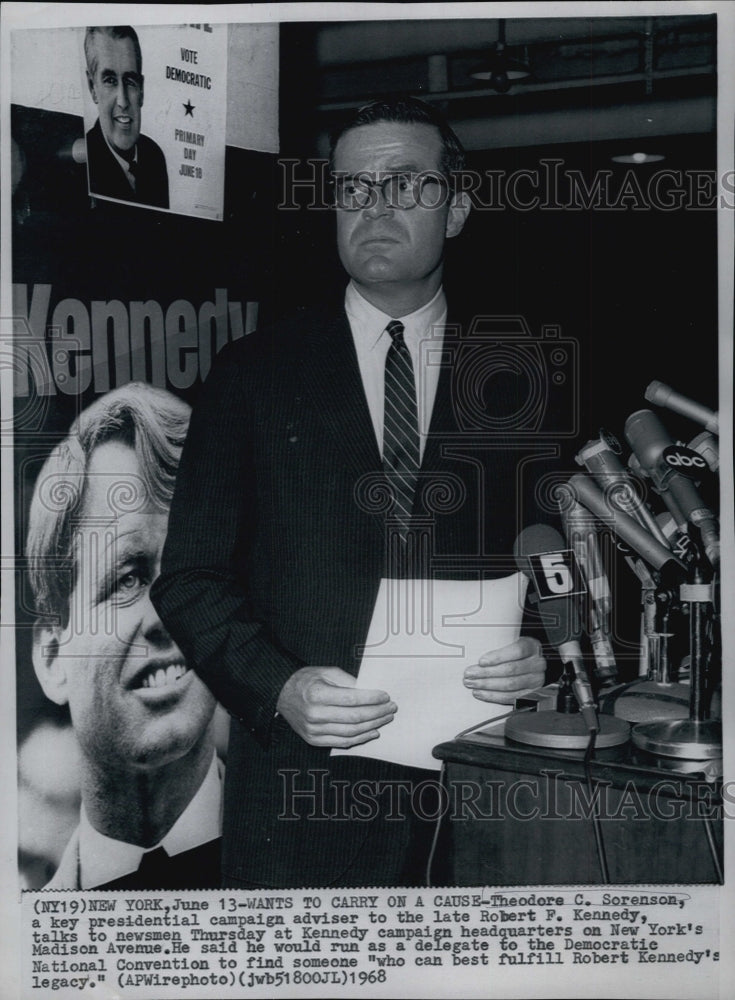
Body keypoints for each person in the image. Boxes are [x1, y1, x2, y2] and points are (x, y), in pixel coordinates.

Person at [152, 96, 551, 889]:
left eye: (404, 184)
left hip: (487, 793)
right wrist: (279, 687)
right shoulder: (253, 374)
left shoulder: (521, 375)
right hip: (304, 801)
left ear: (458, 208)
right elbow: (190, 578)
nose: (373, 207)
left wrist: (543, 650)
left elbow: (558, 557)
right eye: (353, 188)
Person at [27, 383, 220, 889]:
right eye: (127, 579)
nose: (166, 615)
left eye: (188, 570)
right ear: (52, 656)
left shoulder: (329, 865)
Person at [84, 26, 169, 209]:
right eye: (110, 81)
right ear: (92, 88)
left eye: (130, 82)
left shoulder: (154, 156)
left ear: (142, 91)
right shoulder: (83, 163)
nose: (123, 101)